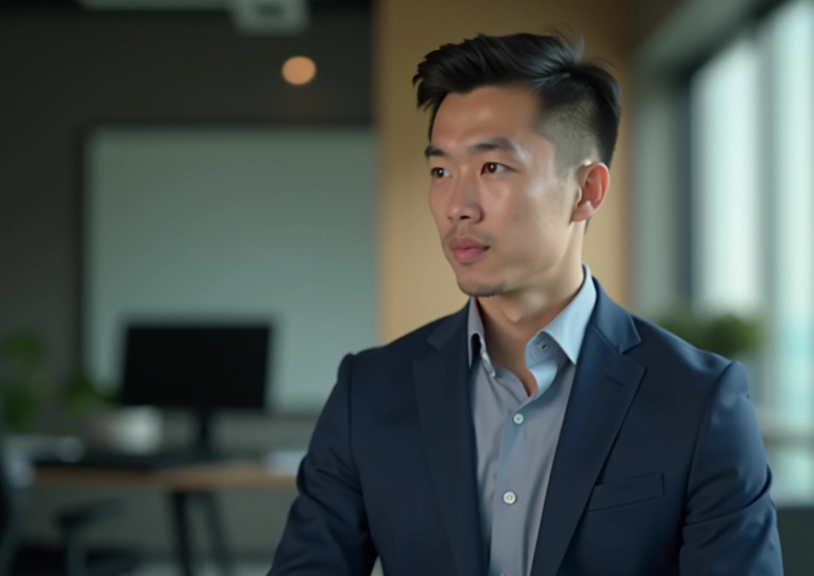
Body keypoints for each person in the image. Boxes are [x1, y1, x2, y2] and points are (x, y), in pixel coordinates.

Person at [269, 32, 783, 576]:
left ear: (587, 191)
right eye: (441, 171)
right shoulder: (368, 394)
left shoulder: (698, 400)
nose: (457, 207)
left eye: (493, 168)